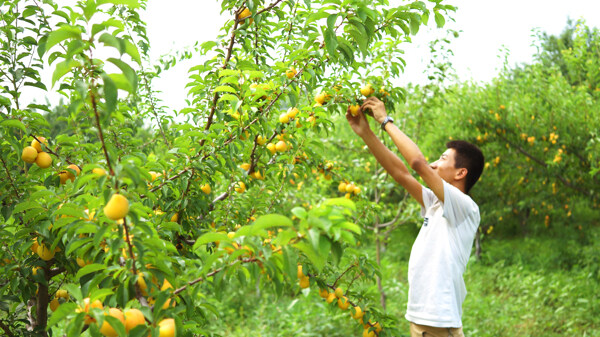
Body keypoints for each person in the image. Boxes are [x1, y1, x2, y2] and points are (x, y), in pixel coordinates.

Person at [346, 97, 484, 337]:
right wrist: (366, 134)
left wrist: (385, 121)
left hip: (437, 322)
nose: (433, 164)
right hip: (425, 321)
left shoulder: (464, 207)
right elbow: (402, 173)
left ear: (461, 172)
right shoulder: (435, 203)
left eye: (442, 159)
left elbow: (417, 163)